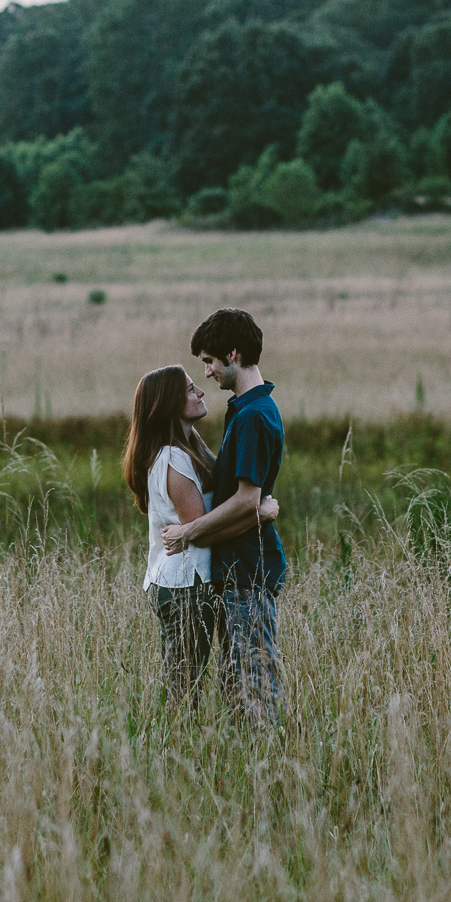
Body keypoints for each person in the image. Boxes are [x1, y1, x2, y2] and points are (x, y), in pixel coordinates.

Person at [123, 364, 279, 709]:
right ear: (168, 404)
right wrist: (261, 513)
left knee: (189, 684)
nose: (201, 392)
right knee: (183, 691)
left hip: (190, 584)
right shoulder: (172, 459)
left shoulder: (189, 446)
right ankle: (171, 751)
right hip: (183, 588)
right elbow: (204, 535)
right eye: (190, 390)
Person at [161, 309, 286, 723]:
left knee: (256, 688)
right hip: (238, 571)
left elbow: (245, 499)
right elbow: (248, 497)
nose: (209, 372)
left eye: (210, 362)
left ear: (232, 354)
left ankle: (274, 773)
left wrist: (187, 532)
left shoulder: (252, 416)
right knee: (237, 687)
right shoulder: (246, 409)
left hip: (248, 571)